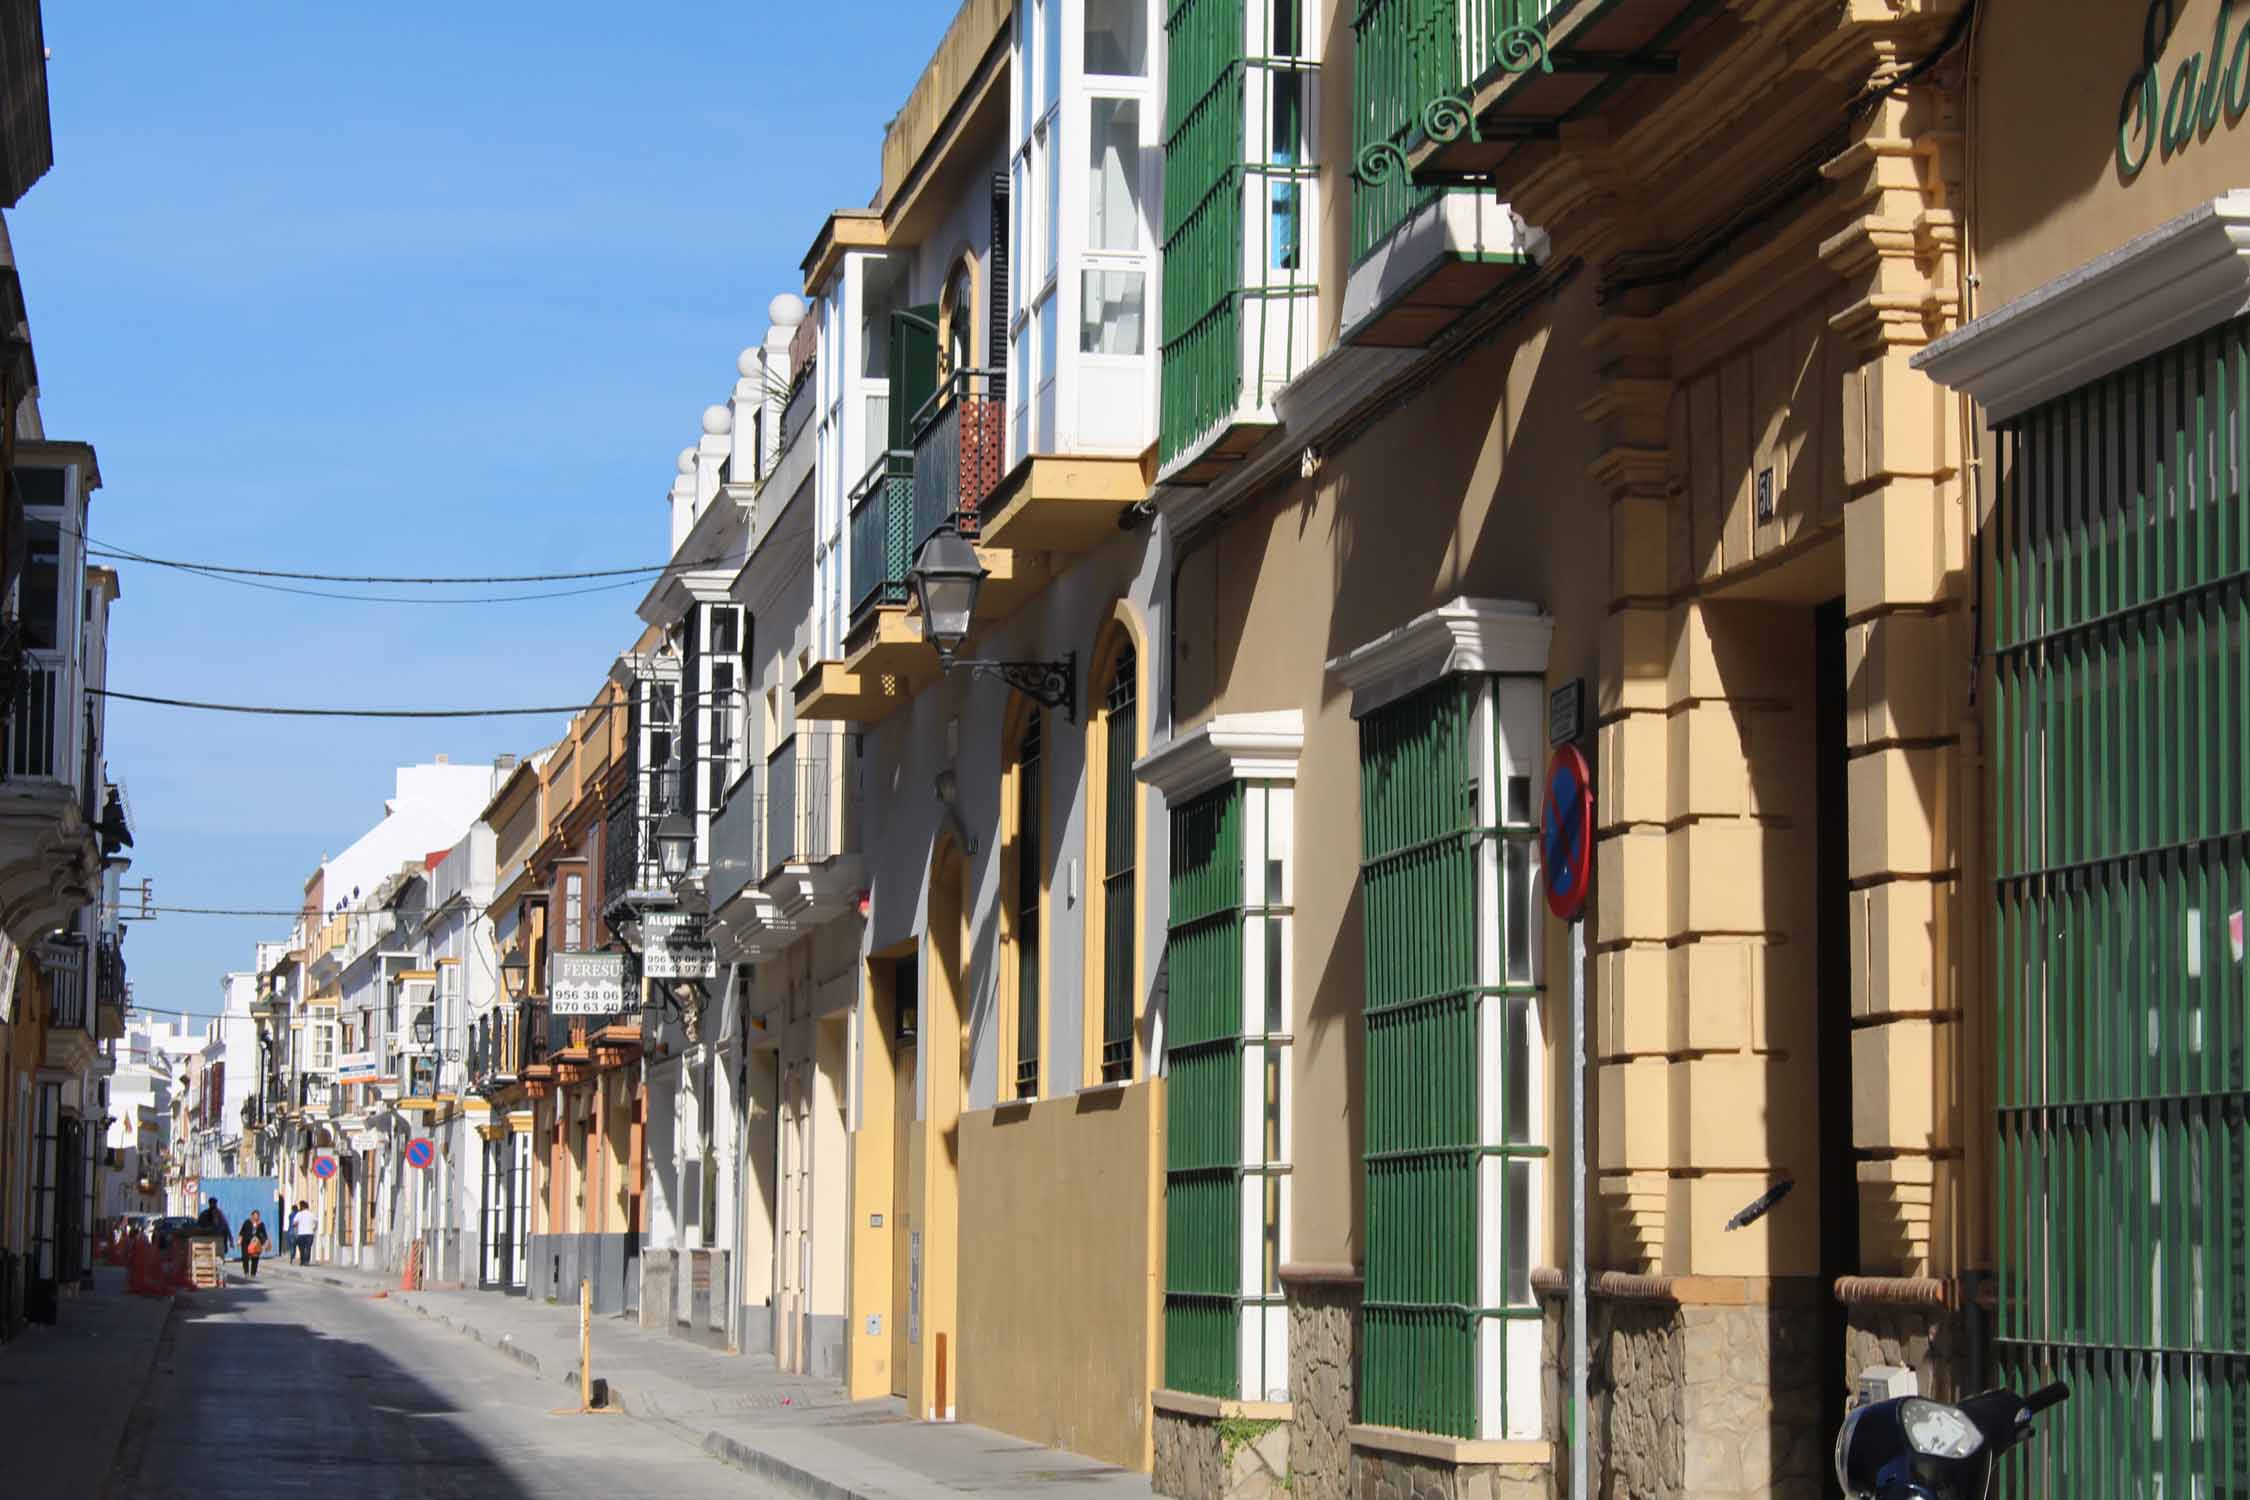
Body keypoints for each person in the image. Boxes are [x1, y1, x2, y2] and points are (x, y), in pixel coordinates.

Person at [239, 1211, 269, 1278]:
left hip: (256, 1243)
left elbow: (264, 1234)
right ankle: (246, 1272)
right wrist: (239, 1240)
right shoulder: (247, 1222)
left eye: (257, 1216)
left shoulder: (261, 1224)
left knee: (255, 1258)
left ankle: (253, 1274)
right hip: (246, 1242)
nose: (256, 1218)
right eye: (255, 1216)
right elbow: (242, 1232)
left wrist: (266, 1243)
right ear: (251, 1216)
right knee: (245, 1257)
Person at [290, 1200, 317, 1265]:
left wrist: (295, 1225)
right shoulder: (311, 1214)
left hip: (301, 1234)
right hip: (310, 1233)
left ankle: (302, 1261)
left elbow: (294, 1223)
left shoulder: (299, 1214)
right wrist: (314, 1228)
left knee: (301, 1248)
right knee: (308, 1247)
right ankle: (306, 1261)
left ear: (301, 1207)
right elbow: (316, 1221)